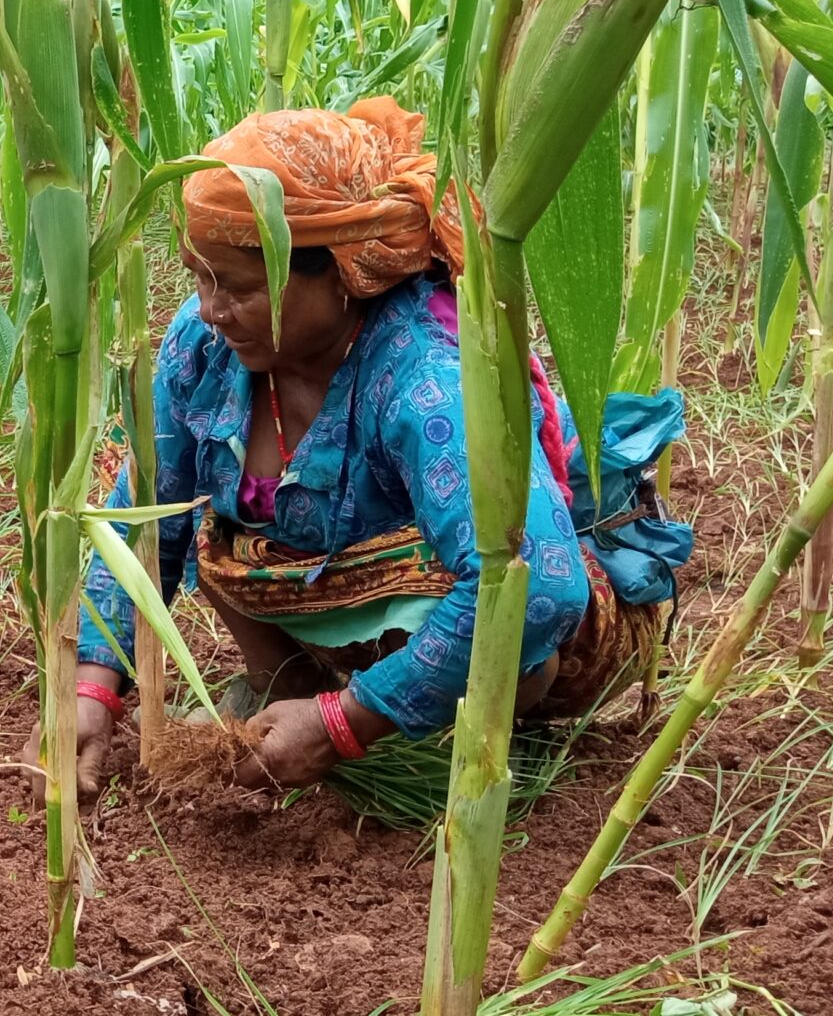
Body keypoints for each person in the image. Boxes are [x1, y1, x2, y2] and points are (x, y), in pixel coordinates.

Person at [72, 98, 689, 795]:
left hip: (562, 632)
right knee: (223, 533)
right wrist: (94, 688)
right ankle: (287, 686)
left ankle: (460, 732)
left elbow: (539, 587)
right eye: (199, 278)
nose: (210, 309)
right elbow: (149, 518)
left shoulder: (425, 375)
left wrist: (348, 723)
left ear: (340, 273)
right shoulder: (205, 346)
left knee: (485, 578)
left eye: (238, 288)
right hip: (339, 597)